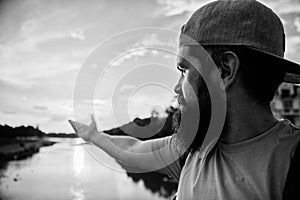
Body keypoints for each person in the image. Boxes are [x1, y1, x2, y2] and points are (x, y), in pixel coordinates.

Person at [69, 0, 300, 199]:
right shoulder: (194, 150)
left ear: (225, 71)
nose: (177, 88)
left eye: (184, 70)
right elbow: (132, 149)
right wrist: (93, 135)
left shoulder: (290, 163)